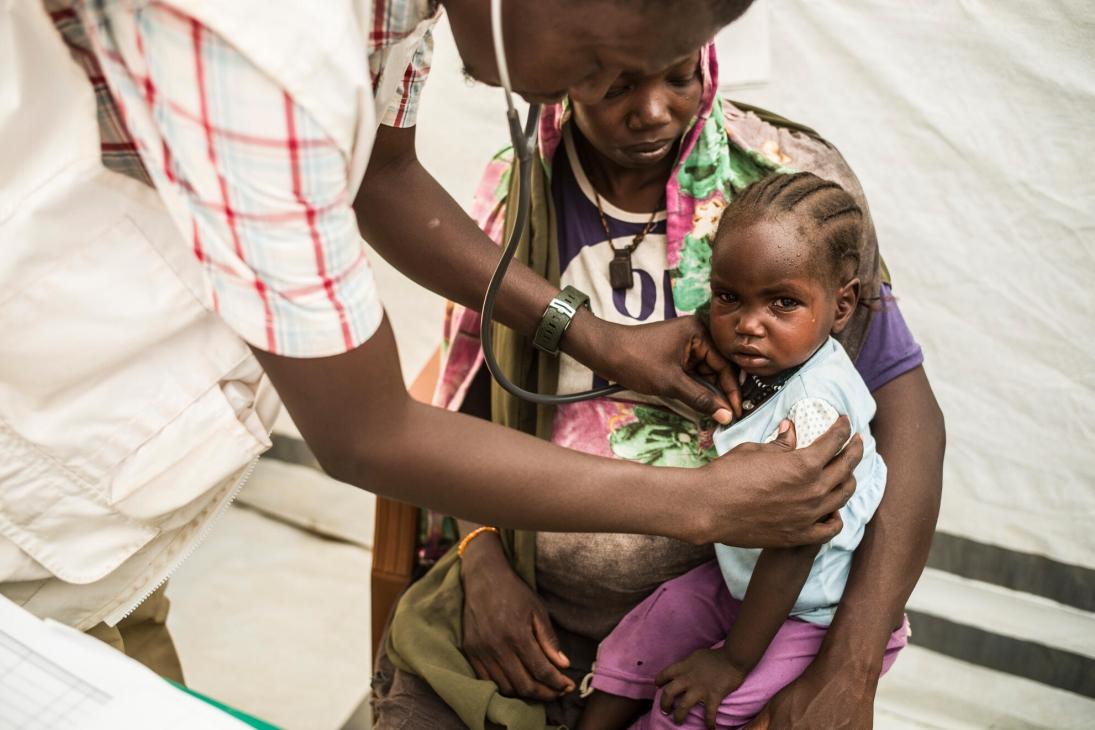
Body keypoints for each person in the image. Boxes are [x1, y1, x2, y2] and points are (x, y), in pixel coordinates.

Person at [2, 0, 860, 683]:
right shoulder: (269, 40)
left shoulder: (788, 180)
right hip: (47, 455)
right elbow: (368, 431)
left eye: (676, 75)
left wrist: (590, 334)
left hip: (118, 480)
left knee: (123, 643)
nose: (640, 106)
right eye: (599, 66)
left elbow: (383, 174)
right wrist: (699, 502)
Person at [374, 46, 944, 729]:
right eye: (616, 84)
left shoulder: (787, 192)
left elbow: (905, 415)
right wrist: (481, 560)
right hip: (532, 603)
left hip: (733, 622)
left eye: (678, 75)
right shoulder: (519, 188)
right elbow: (471, 395)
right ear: (558, 69)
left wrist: (847, 672)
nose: (653, 111)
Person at [578, 172, 908, 730]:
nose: (748, 325)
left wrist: (731, 660)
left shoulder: (818, 408)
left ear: (842, 305)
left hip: (810, 606)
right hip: (746, 577)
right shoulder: (776, 364)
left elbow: (794, 545)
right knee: (650, 628)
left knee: (696, 709)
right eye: (729, 297)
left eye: (782, 302)